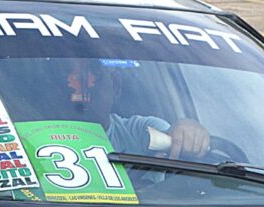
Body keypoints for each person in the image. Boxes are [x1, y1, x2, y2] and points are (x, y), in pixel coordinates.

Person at [65, 58, 211, 159]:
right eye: (74, 79)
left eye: (94, 78)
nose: (82, 90)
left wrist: (188, 131)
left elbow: (176, 138)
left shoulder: (142, 132)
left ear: (116, 85)